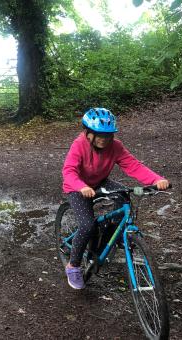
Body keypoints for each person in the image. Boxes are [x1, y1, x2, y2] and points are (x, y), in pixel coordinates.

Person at [61, 107, 169, 290]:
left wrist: (156, 179)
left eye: (108, 135)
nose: (104, 139)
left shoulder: (115, 146)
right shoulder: (79, 145)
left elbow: (133, 165)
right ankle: (73, 266)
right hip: (77, 187)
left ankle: (111, 235)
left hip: (100, 182)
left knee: (124, 197)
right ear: (87, 133)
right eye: (99, 134)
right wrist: (82, 186)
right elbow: (68, 171)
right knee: (87, 225)